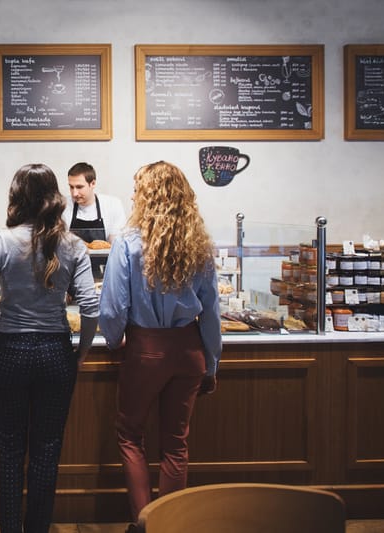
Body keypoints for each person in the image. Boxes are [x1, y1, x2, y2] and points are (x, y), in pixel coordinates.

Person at [0, 163, 99, 533]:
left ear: (16, 198)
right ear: (55, 196)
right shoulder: (73, 245)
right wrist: (83, 351)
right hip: (56, 353)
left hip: (9, 352)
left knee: (9, 451)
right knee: (47, 450)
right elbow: (90, 306)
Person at [97, 161, 222, 522]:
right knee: (176, 444)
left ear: (147, 197)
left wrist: (114, 341)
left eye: (138, 190)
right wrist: (211, 364)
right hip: (189, 351)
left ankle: (143, 524)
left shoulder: (128, 244)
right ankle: (169, 524)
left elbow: (113, 308)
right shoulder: (199, 244)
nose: (134, 195)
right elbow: (211, 313)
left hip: (145, 350)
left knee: (130, 436)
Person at [62, 162, 128, 244]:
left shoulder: (113, 205)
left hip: (106, 256)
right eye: (71, 187)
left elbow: (117, 244)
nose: (74, 193)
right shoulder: (62, 206)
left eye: (79, 187)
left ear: (92, 184)